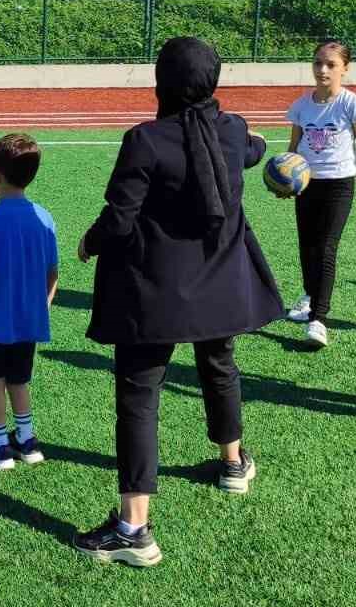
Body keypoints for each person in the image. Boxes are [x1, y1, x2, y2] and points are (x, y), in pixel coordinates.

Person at [72, 37, 283, 568]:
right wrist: (257, 144)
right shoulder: (232, 131)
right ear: (213, 85)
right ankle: (233, 463)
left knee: (140, 398)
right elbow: (253, 147)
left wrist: (87, 242)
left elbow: (120, 219)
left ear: (161, 84)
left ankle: (134, 528)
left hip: (155, 292)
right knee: (219, 366)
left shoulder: (145, 140)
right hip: (220, 286)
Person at [0, 134, 58, 470]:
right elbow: (53, 273)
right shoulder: (44, 218)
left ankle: (0, 446)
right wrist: (42, 306)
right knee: (19, 380)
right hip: (27, 323)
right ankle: (28, 441)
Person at [283, 42, 356, 347]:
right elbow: (293, 148)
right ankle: (310, 294)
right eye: (318, 63)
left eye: (330, 64)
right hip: (307, 184)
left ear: (345, 69)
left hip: (339, 184)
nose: (322, 69)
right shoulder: (301, 106)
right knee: (307, 246)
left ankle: (318, 319)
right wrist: (287, 179)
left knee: (326, 248)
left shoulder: (351, 104)